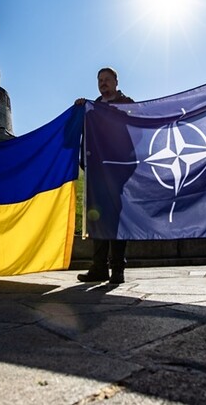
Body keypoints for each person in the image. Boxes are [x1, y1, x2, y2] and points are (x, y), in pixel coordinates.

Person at [75, 67, 134, 284]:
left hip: (117, 171)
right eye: (100, 80)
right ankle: (98, 268)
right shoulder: (92, 108)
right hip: (97, 172)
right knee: (97, 219)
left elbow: (135, 128)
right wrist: (80, 109)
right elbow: (83, 132)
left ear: (116, 82)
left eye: (107, 79)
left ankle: (117, 269)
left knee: (115, 221)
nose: (103, 83)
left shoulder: (127, 104)